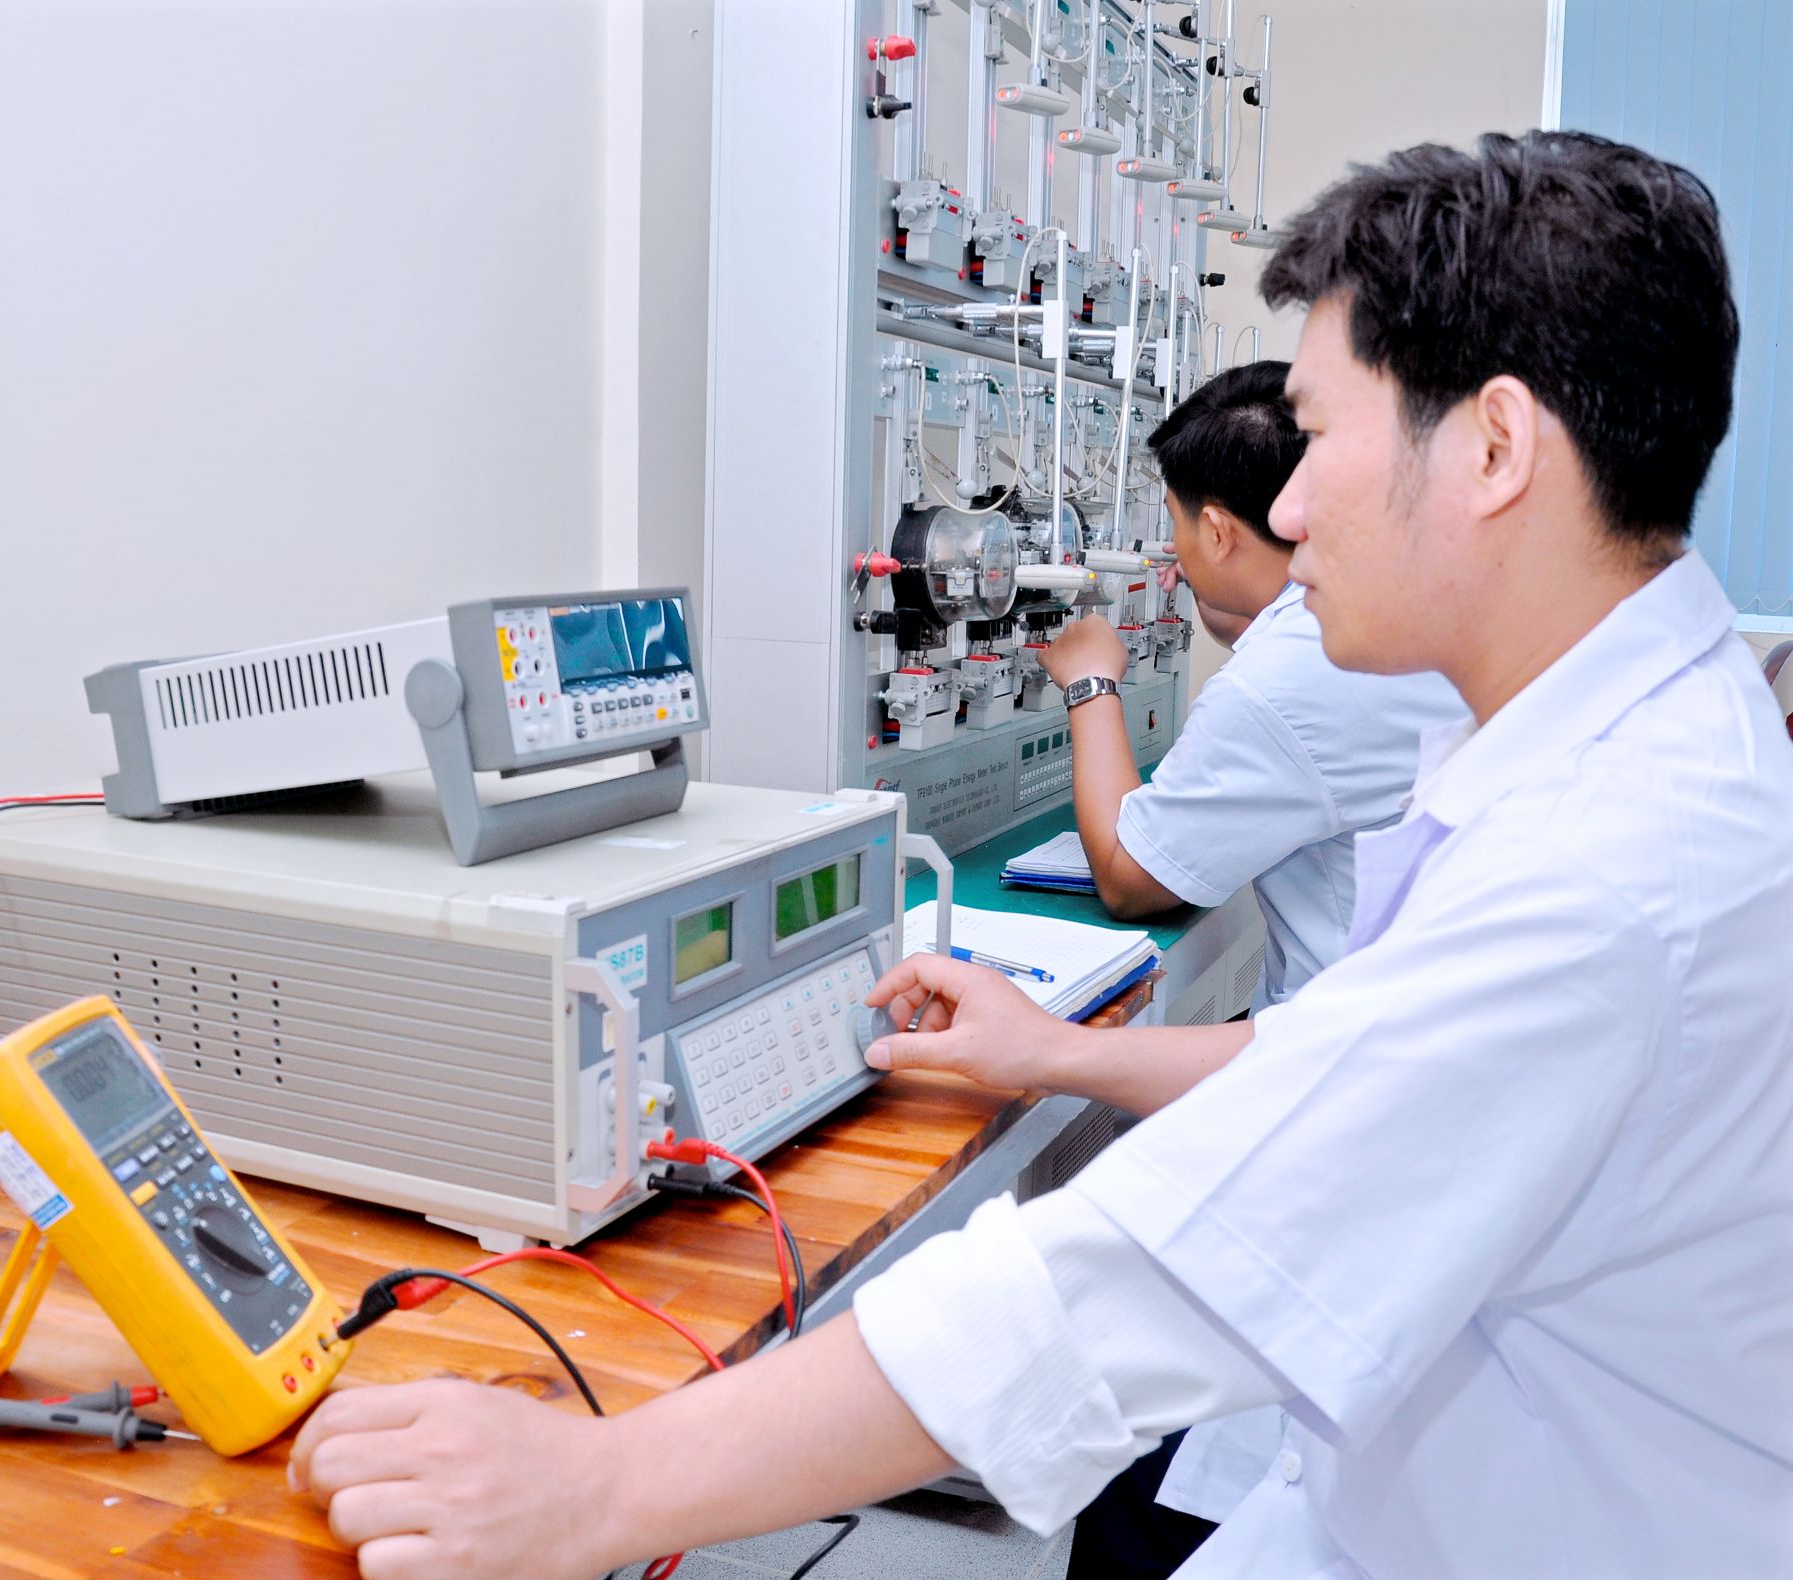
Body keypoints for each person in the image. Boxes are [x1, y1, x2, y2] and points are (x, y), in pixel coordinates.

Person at [285, 132, 1793, 1580]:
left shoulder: (1609, 872)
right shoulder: (1624, 749)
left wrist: (597, 1485)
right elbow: (1351, 1063)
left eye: (1320, 434)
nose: (1284, 504)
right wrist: (1057, 1054)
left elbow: (1130, 1283)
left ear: (1495, 446)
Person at [1045, 360, 1466, 1576]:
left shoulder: (1294, 673)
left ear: (1225, 527)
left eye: (1177, 532)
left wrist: (1089, 677)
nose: (1175, 560)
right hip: (1392, 1121)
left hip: (1341, 1142)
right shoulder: (1406, 625)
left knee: (1147, 1486)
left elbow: (1133, 873)